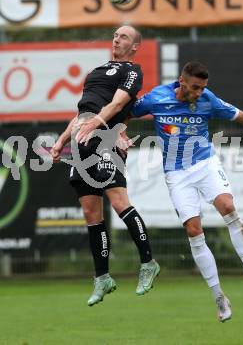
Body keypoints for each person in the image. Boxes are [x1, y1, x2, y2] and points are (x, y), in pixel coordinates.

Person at [131, 61, 243, 322]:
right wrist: (118, 131)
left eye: (203, 88)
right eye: (195, 88)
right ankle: (219, 297)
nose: (199, 93)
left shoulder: (208, 99)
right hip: (177, 174)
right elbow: (128, 111)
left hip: (205, 163)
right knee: (194, 230)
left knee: (228, 207)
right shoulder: (157, 97)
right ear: (182, 82)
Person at [50, 25, 160, 306]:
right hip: (81, 141)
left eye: (123, 36)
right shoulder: (95, 72)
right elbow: (81, 114)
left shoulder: (132, 71)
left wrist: (99, 125)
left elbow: (118, 103)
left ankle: (148, 263)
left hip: (107, 139)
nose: (116, 38)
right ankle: (102, 277)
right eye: (115, 35)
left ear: (134, 46)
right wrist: (61, 140)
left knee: (119, 202)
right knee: (90, 212)